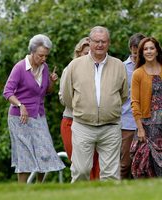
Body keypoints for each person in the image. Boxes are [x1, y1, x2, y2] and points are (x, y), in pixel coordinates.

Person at [61, 26, 128, 182]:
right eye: (96, 41)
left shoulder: (118, 65)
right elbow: (66, 95)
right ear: (89, 42)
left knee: (111, 175)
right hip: (83, 125)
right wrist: (83, 109)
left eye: (103, 41)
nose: (100, 45)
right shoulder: (75, 65)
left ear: (108, 43)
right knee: (81, 171)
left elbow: (123, 94)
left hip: (110, 126)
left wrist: (109, 108)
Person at [3, 34, 65, 183]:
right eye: (40, 55)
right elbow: (7, 92)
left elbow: (46, 91)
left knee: (44, 151)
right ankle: (22, 191)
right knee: (24, 154)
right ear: (32, 52)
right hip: (20, 118)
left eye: (46, 56)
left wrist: (51, 81)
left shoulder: (45, 68)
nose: (43, 59)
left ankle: (39, 187)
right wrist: (20, 105)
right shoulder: (19, 68)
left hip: (38, 115)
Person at [59, 37, 100, 180]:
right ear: (78, 53)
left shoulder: (101, 71)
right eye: (85, 53)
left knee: (98, 166)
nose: (89, 56)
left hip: (96, 124)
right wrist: (84, 105)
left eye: (92, 53)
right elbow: (63, 98)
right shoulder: (69, 69)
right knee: (80, 167)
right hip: (72, 122)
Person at [130, 37, 162, 178]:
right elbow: (135, 102)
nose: (149, 51)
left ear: (157, 51)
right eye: (145, 49)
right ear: (141, 53)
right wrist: (140, 128)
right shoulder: (138, 73)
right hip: (148, 125)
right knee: (148, 165)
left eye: (151, 48)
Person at [121, 33, 145, 179]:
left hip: (148, 122)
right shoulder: (121, 68)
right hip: (127, 122)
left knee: (145, 164)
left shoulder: (152, 67)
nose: (137, 58)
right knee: (125, 164)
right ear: (131, 49)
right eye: (135, 54)